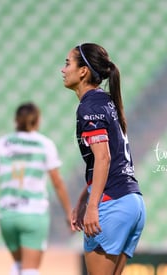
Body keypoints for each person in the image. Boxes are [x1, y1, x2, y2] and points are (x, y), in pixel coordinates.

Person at [61, 43, 146, 275]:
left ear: (83, 71)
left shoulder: (89, 106)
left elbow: (104, 158)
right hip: (133, 203)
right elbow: (110, 158)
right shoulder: (106, 102)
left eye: (68, 63)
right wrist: (83, 198)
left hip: (113, 203)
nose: (63, 69)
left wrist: (92, 206)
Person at [0, 102, 72, 275]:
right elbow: (57, 182)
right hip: (33, 212)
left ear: (16, 120)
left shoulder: (3, 143)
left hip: (7, 213)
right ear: (38, 120)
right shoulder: (44, 144)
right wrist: (68, 212)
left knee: (18, 264)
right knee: (30, 269)